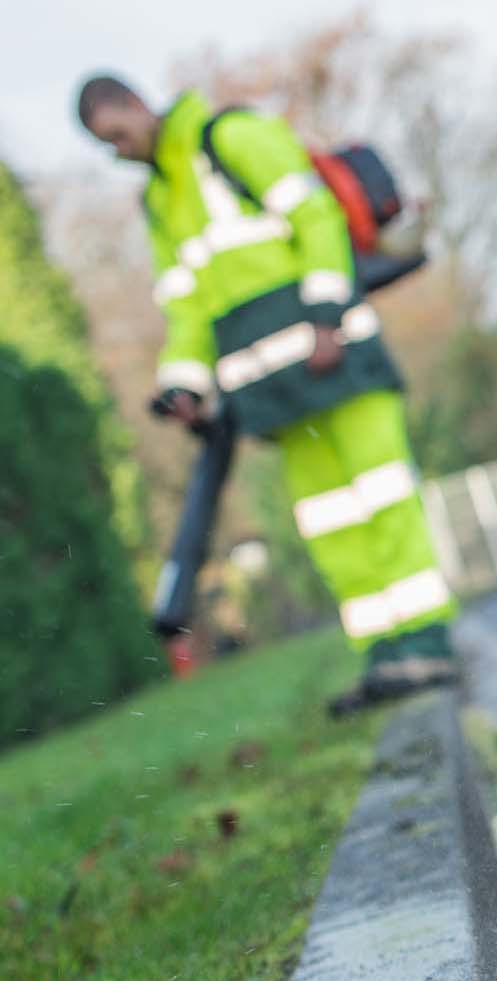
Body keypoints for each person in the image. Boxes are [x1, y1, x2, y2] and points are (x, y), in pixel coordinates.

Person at [77, 73, 457, 713]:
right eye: (104, 145)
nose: (117, 151)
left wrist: (328, 315)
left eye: (115, 134)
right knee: (330, 520)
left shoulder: (232, 137)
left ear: (135, 106)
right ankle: (386, 657)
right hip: (271, 391)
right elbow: (188, 310)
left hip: (337, 357)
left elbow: (315, 218)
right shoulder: (159, 202)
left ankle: (428, 644)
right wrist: (183, 384)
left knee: (384, 496)